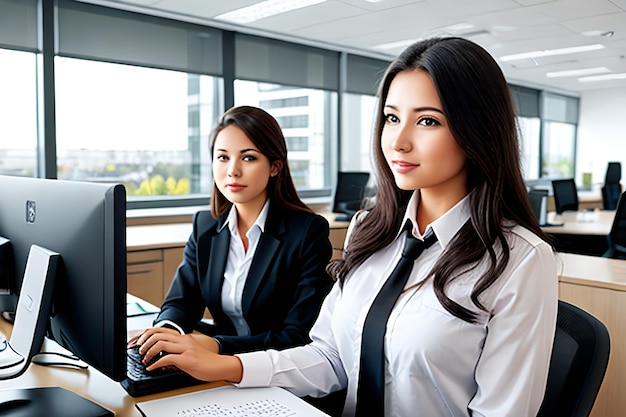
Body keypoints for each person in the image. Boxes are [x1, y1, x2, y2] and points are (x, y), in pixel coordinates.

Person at [135, 38, 559, 417]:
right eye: (392, 118)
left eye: (427, 121)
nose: (398, 141)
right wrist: (228, 365)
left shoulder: (519, 261)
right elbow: (332, 358)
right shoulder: (369, 231)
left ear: (478, 131)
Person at [130, 105, 334, 358]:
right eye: (223, 157)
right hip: (216, 366)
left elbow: (298, 336)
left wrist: (216, 347)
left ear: (275, 167)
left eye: (248, 157)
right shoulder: (205, 226)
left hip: (277, 371)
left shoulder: (306, 233)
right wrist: (167, 330)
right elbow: (181, 302)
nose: (232, 171)